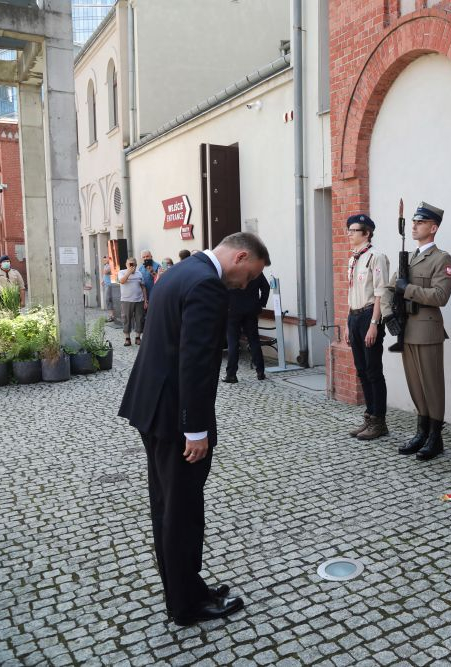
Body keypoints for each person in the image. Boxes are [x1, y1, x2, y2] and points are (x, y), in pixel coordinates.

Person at [118, 232, 270, 627]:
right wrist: (196, 430)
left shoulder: (181, 271)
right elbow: (197, 362)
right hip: (174, 417)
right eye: (249, 274)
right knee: (182, 510)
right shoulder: (207, 284)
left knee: (167, 505)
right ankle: (185, 604)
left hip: (151, 406)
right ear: (239, 257)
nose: (246, 284)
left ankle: (184, 585)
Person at [381, 202, 451, 461]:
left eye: (420, 222)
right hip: (406, 330)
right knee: (415, 384)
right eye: (413, 222)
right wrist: (389, 312)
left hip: (427, 331)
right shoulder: (409, 257)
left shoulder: (441, 258)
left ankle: (436, 437)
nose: (414, 226)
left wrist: (408, 289)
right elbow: (389, 290)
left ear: (433, 228)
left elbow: (440, 296)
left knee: (432, 385)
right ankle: (421, 432)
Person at [345, 214, 391, 441]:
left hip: (369, 316)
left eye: (354, 230)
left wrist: (374, 324)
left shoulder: (376, 257)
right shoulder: (353, 259)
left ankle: (379, 421)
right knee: (361, 369)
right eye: (349, 230)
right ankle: (369, 417)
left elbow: (381, 293)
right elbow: (351, 292)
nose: (349, 234)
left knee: (373, 370)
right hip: (355, 317)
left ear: (367, 233)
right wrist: (347, 323)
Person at [223, 271, 271, 383]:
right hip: (251, 310)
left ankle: (231, 374)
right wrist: (261, 303)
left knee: (233, 342)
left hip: (232, 311)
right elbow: (266, 287)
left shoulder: (230, 270)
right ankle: (260, 372)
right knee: (254, 340)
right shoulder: (254, 270)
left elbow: (220, 291)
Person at [118, 257, 147, 345]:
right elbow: (122, 281)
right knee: (126, 319)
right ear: (126, 265)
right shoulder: (122, 272)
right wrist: (128, 273)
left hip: (139, 300)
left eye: (133, 264)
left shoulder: (139, 273)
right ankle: (127, 338)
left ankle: (138, 337)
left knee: (139, 319)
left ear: (136, 265)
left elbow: (143, 287)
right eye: (129, 264)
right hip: (126, 300)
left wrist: (146, 300)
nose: (131, 266)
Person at [139, 250, 160, 330]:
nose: (145, 258)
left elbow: (159, 279)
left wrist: (151, 270)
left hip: (154, 294)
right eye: (143, 257)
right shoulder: (140, 268)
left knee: (154, 314)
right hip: (144, 295)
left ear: (151, 256)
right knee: (145, 316)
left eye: (147, 256)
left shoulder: (157, 266)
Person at [100, 255, 115, 321]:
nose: (105, 261)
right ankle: (111, 315)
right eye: (104, 260)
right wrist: (103, 280)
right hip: (106, 284)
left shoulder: (110, 265)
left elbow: (106, 272)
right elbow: (104, 274)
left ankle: (112, 316)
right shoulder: (106, 265)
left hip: (110, 284)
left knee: (108, 299)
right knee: (108, 300)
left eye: (106, 259)